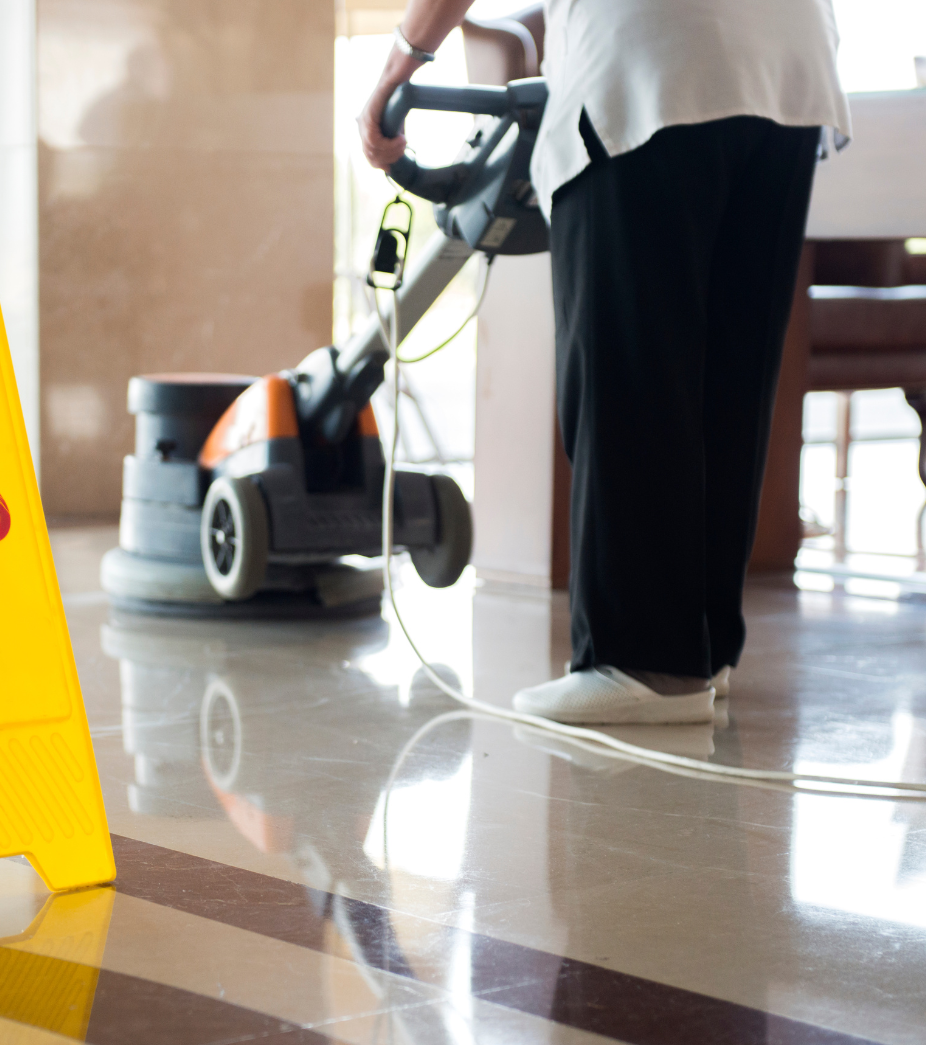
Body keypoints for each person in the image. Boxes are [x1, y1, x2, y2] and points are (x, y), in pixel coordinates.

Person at [359, 0, 850, 725]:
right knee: (730, 370)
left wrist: (401, 60)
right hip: (789, 62)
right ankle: (700, 652)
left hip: (649, 53)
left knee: (632, 364)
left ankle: (639, 660)